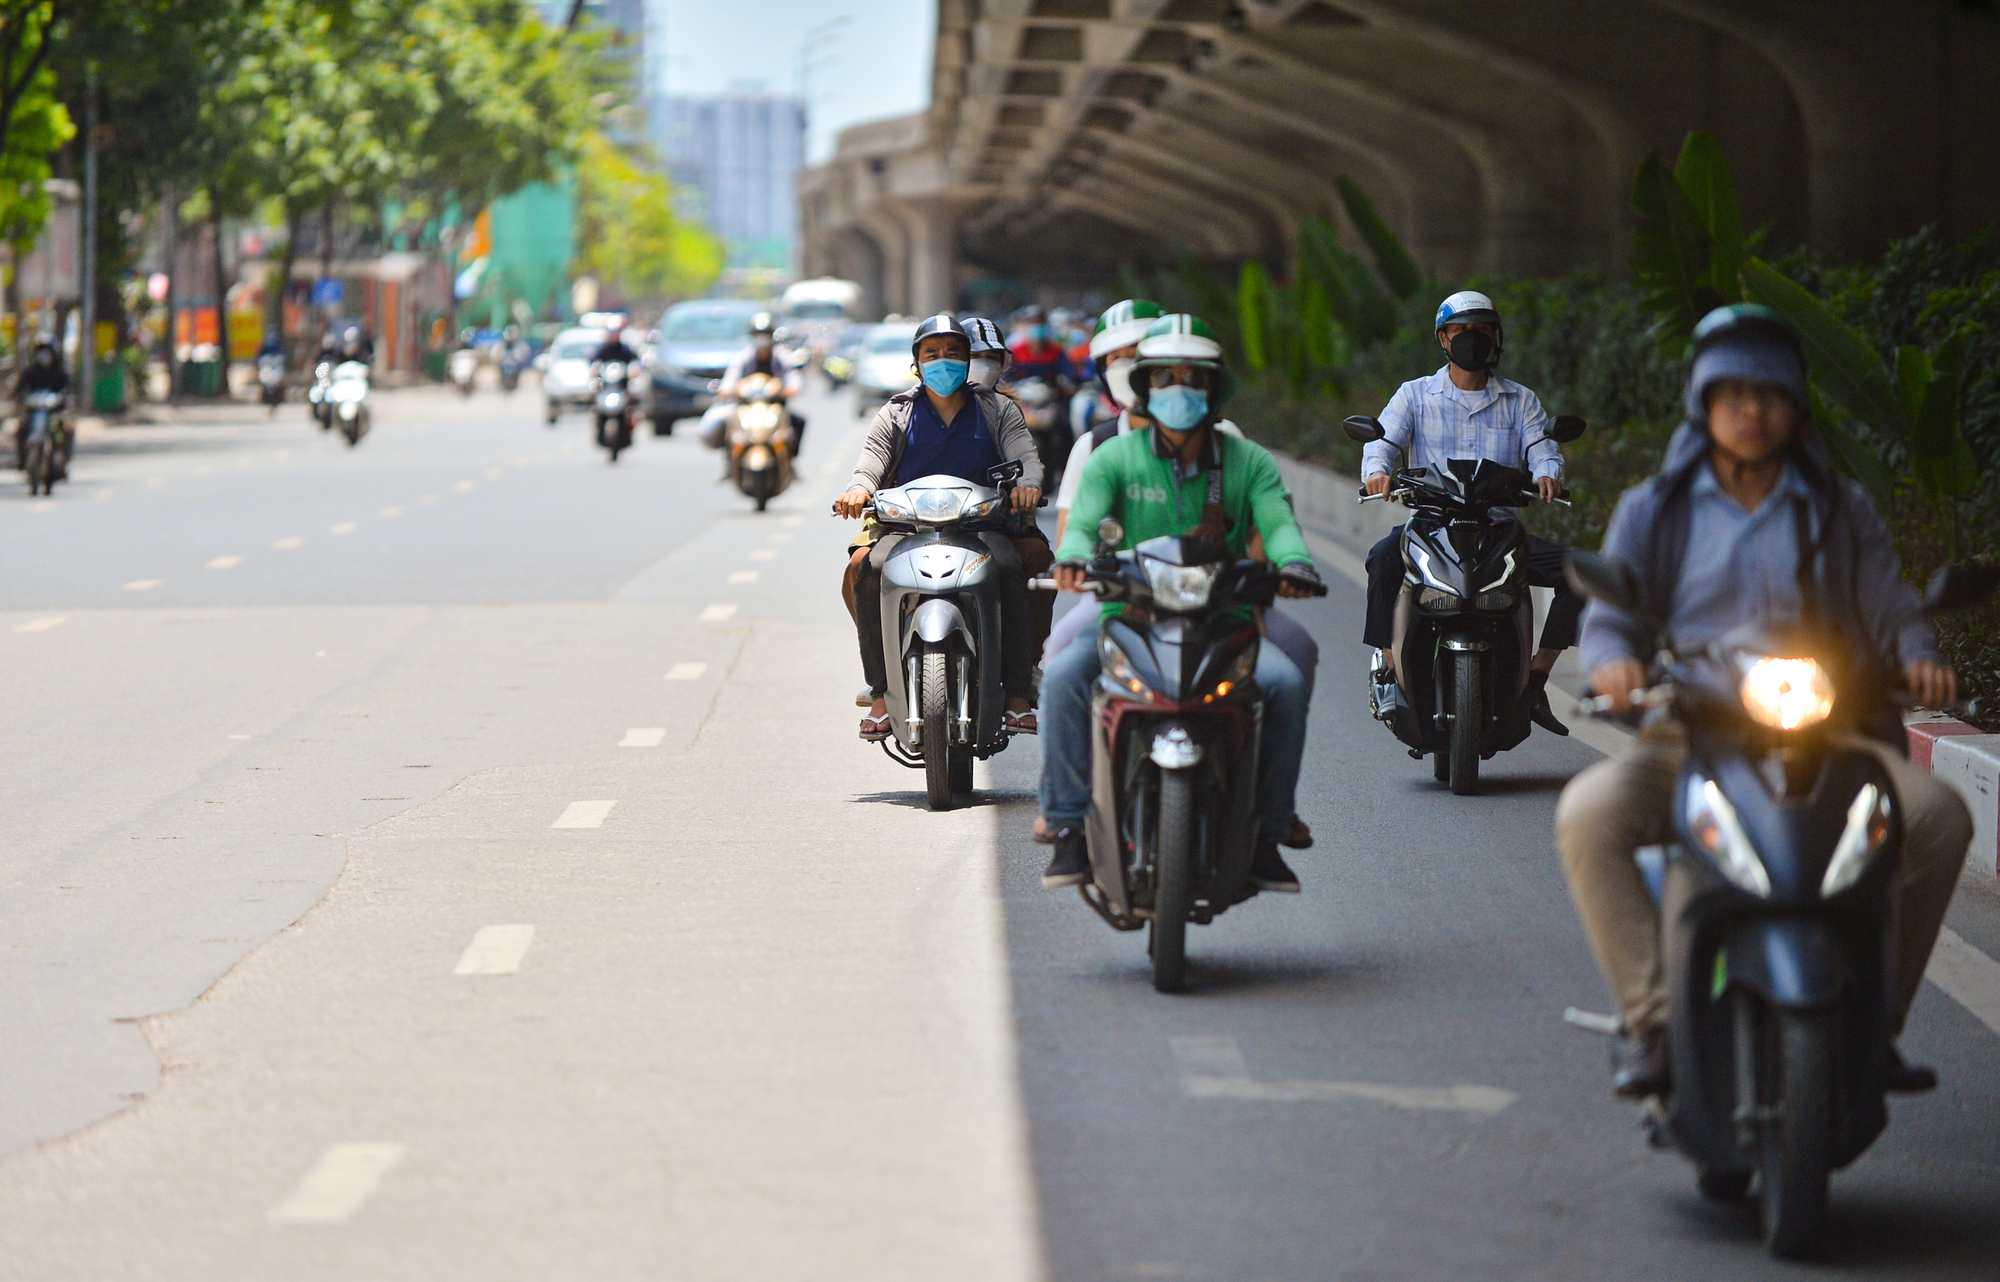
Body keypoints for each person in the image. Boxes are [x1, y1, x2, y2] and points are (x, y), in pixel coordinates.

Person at [1555, 304, 1973, 1098]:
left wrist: (1920, 657)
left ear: (1797, 407)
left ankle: (1874, 1023)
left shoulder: (1838, 508)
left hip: (1833, 731)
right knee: (1588, 813)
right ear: (1703, 403)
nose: (1753, 411)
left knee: (1941, 817)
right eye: (1734, 393)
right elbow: (1611, 615)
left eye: (1772, 394)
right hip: (1692, 731)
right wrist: (1611, 663)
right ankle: (1655, 1021)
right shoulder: (1656, 508)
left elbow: (1890, 603)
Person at [1038, 315, 1326, 893]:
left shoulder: (1248, 462)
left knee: (1286, 683)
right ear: (1144, 389)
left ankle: (1268, 831)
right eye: (1164, 379)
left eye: (1192, 380)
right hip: (1130, 617)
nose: (1178, 392)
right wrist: (1071, 557)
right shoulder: (1111, 458)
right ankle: (1069, 826)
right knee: (1064, 675)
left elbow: (1278, 522)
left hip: (1226, 620)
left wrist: (1295, 564)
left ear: (1213, 391)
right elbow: (1082, 522)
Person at [1361, 290, 1578, 736]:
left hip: (1498, 528)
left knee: (1582, 573)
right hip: (1431, 526)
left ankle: (1536, 675)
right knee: (1383, 558)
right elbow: (1382, 443)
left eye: (1482, 330)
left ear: (1496, 338)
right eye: (1462, 331)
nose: (1472, 339)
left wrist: (1547, 474)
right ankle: (1385, 667)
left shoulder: (1521, 401)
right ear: (1443, 339)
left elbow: (1542, 447)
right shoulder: (1415, 395)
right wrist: (1377, 473)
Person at [835, 315, 1052, 739]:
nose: (943, 362)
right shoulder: (896, 412)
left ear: (968, 359)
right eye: (932, 354)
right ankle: (881, 693)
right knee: (864, 566)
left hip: (984, 525)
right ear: (916, 364)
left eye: (953, 353)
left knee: (1013, 568)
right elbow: (869, 464)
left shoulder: (998, 409)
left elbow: (1025, 456)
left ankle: (1018, 694)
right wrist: (857, 491)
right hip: (905, 527)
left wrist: (1027, 485)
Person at [14, 335, 69, 473]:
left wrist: (64, 398)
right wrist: (19, 396)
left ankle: (61, 462)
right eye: (41, 352)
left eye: (47, 352)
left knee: (63, 431)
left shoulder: (59, 372)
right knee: (21, 430)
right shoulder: (31, 372)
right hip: (34, 411)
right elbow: (20, 388)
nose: (43, 355)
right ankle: (22, 460)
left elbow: (67, 389)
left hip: (54, 412)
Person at [1005, 305, 1069, 386]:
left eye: (1040, 322)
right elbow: (1005, 378)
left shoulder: (1056, 351)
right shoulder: (1015, 352)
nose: (1036, 326)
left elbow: (1067, 374)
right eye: (1032, 322)